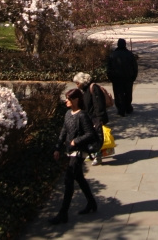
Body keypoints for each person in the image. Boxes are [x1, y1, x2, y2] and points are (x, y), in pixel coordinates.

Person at [50, 88, 98, 224]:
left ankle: (63, 213)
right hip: (69, 150)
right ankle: (92, 203)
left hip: (79, 152)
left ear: (76, 100)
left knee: (68, 180)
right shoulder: (68, 114)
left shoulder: (82, 116)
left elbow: (90, 134)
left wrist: (75, 141)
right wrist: (57, 147)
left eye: (69, 99)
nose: (66, 101)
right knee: (79, 178)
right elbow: (63, 131)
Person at [73, 72, 108, 164]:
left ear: (82, 81)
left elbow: (99, 104)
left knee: (97, 137)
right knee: (91, 137)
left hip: (95, 118)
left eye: (77, 83)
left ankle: (97, 156)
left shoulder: (93, 88)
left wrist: (100, 119)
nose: (77, 85)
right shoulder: (84, 90)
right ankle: (92, 154)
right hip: (89, 117)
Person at [106, 38, 138, 116]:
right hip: (128, 78)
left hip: (116, 78)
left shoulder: (112, 55)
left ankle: (121, 109)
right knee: (128, 93)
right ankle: (128, 107)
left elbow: (108, 68)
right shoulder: (129, 54)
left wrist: (111, 78)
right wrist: (133, 77)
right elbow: (135, 67)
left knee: (118, 94)